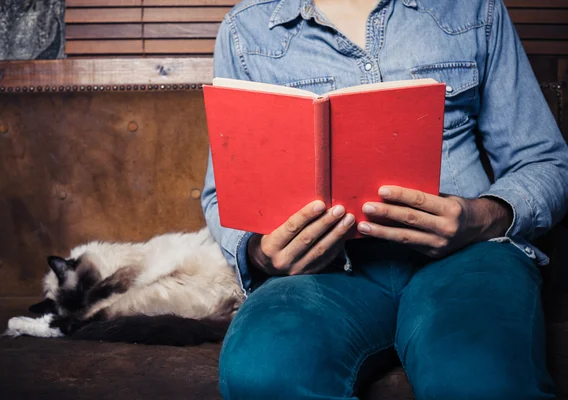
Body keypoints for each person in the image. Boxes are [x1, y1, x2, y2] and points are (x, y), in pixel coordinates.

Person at [201, 0, 568, 398]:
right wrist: (259, 252)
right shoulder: (247, 27)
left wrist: (480, 217)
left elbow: (546, 161)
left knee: (482, 375)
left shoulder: (475, 8)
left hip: (466, 257)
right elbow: (222, 194)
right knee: (262, 371)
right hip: (321, 275)